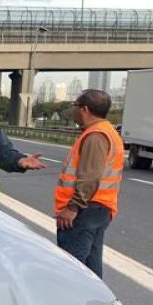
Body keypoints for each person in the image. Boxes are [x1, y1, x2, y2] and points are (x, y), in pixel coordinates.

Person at [54, 89, 123, 278]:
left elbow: (89, 177)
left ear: (84, 109)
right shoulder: (107, 132)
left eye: (75, 105)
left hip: (85, 210)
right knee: (91, 270)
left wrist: (73, 207)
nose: (74, 110)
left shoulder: (95, 136)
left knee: (74, 269)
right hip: (99, 208)